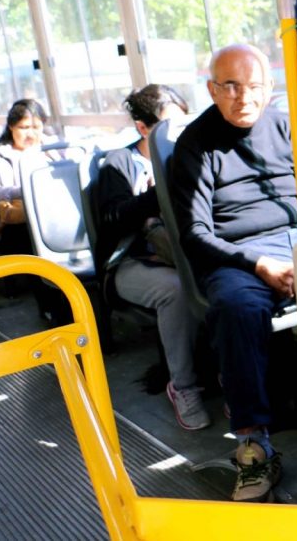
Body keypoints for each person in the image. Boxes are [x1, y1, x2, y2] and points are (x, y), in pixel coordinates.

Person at [170, 44, 297, 503]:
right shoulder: (195, 145)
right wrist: (257, 264)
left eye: (254, 86)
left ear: (269, 90)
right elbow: (194, 233)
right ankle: (252, 443)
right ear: (211, 89)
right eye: (230, 86)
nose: (243, 97)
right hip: (239, 252)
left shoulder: (289, 127)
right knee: (236, 307)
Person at [96, 84, 209, 431]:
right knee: (174, 290)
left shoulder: (195, 156)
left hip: (186, 253)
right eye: (166, 127)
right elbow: (114, 217)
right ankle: (184, 386)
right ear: (143, 129)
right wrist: (158, 192)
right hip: (132, 261)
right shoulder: (118, 164)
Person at [0, 99, 70, 323]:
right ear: (11, 127)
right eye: (24, 128)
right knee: (32, 240)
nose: (31, 134)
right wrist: (27, 189)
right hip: (11, 227)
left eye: (36, 127)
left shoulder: (56, 150)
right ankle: (53, 310)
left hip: (56, 219)